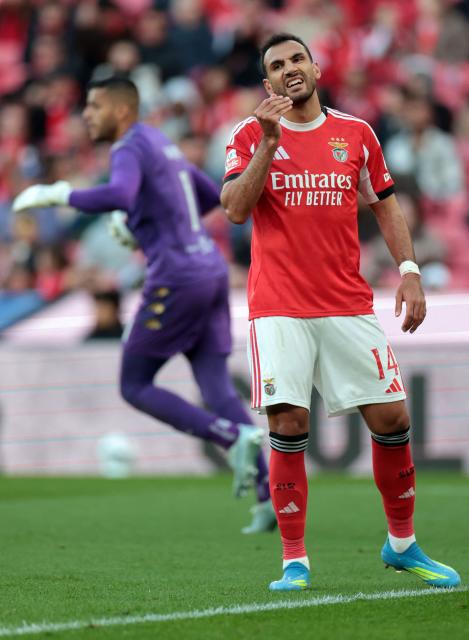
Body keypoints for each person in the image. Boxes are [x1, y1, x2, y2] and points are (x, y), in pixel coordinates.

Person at [221, 33, 461, 589]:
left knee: (394, 419)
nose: (289, 70)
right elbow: (234, 209)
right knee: (288, 422)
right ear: (268, 84)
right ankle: (294, 559)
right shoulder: (249, 134)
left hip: (346, 301)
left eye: (297, 59)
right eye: (276, 66)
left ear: (317, 66)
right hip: (278, 305)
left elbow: (385, 204)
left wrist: (408, 271)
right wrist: (268, 142)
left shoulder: (356, 133)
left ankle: (402, 543)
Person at [13, 76, 276, 535]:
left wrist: (58, 194)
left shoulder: (129, 146)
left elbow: (118, 194)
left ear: (119, 110)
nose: (87, 116)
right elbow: (211, 196)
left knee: (134, 383)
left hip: (176, 277)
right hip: (210, 270)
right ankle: (268, 499)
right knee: (215, 388)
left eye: (94, 107)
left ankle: (229, 436)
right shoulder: (159, 141)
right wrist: (142, 221)